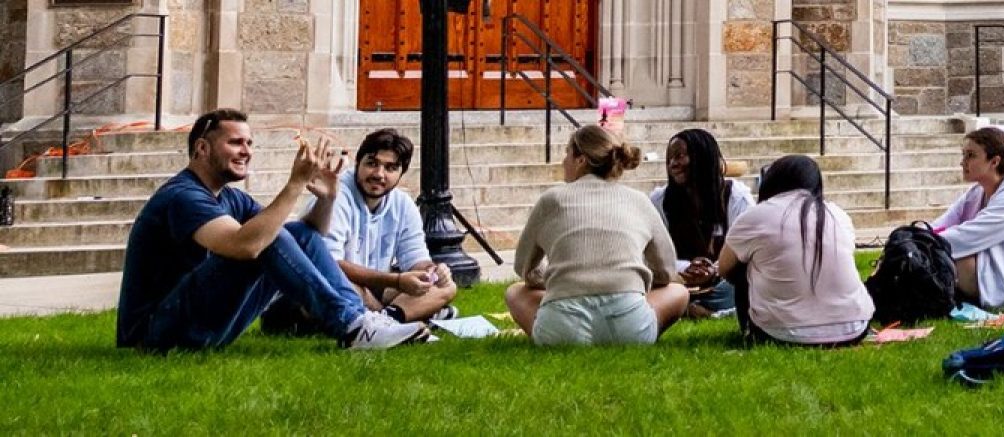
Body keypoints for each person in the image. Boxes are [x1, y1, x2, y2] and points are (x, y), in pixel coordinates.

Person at [116, 109, 430, 352]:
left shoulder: (230, 197)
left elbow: (308, 235)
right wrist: (294, 184)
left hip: (199, 325)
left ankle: (360, 322)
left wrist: (328, 198)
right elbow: (246, 246)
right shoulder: (184, 196)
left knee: (292, 231)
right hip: (156, 333)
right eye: (235, 142)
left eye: (249, 143)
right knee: (266, 233)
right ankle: (353, 325)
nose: (246, 151)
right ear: (202, 148)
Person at [259, 129, 458, 337]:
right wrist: (396, 280)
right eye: (372, 163)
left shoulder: (403, 204)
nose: (379, 174)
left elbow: (416, 260)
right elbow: (329, 265)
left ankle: (388, 320)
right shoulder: (338, 192)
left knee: (446, 287)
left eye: (390, 168)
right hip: (320, 291)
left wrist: (433, 272)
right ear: (358, 163)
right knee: (352, 288)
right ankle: (400, 318)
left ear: (402, 173)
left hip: (372, 290)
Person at [505, 125, 689, 346]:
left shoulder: (551, 200)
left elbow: (523, 268)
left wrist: (561, 281)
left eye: (567, 153)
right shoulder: (638, 200)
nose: (564, 162)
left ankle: (550, 331)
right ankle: (635, 331)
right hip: (629, 326)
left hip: (562, 329)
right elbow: (666, 272)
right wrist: (631, 284)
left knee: (515, 292)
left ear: (581, 160)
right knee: (678, 292)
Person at [715, 155, 874, 346]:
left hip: (779, 333)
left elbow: (724, 268)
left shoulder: (755, 216)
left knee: (742, 264)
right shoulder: (837, 214)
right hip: (854, 327)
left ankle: (750, 327)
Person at [929, 127, 1004, 310]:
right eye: (963, 155)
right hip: (992, 277)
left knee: (956, 255)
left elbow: (966, 237)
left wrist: (921, 243)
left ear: (994, 162)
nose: (963, 162)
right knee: (928, 253)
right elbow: (943, 224)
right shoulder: (977, 192)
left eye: (970, 155)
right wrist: (913, 237)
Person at [650, 128, 754, 318]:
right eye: (670, 158)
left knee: (744, 283)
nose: (673, 164)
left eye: (680, 156)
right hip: (678, 284)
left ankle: (691, 310)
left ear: (703, 158)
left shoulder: (736, 197)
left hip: (722, 283)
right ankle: (689, 307)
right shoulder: (660, 200)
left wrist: (714, 269)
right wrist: (686, 268)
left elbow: (746, 250)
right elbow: (654, 254)